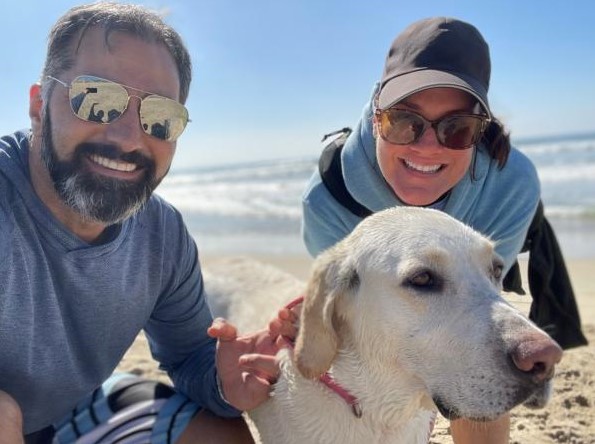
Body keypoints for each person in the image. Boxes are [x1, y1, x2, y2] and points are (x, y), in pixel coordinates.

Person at [0, 3, 279, 443]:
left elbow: (189, 358)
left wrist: (227, 382)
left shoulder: (162, 236)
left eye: (160, 117)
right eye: (95, 99)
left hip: (73, 407)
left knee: (224, 435)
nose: (129, 138)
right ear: (38, 106)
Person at [293, 17, 540, 443]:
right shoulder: (327, 201)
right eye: (404, 122)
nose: (427, 146)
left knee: (479, 373)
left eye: (457, 128)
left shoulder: (511, 186)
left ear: (480, 130)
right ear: (376, 119)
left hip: (461, 306)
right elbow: (353, 335)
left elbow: (478, 306)